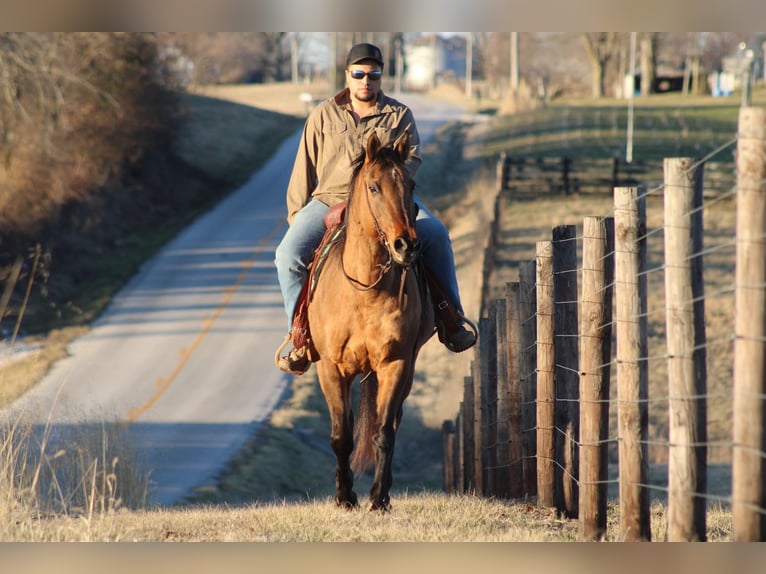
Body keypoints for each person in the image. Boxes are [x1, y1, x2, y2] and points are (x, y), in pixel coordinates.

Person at [275, 43, 476, 374]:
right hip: (329, 200)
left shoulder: (399, 116)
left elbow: (412, 159)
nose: (365, 81)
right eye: (359, 74)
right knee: (287, 256)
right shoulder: (323, 114)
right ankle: (301, 336)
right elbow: (304, 169)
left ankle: (450, 318)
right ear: (347, 76)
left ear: (381, 77)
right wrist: (298, 217)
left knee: (436, 234)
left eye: (373, 75)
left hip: (388, 201)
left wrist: (390, 192)